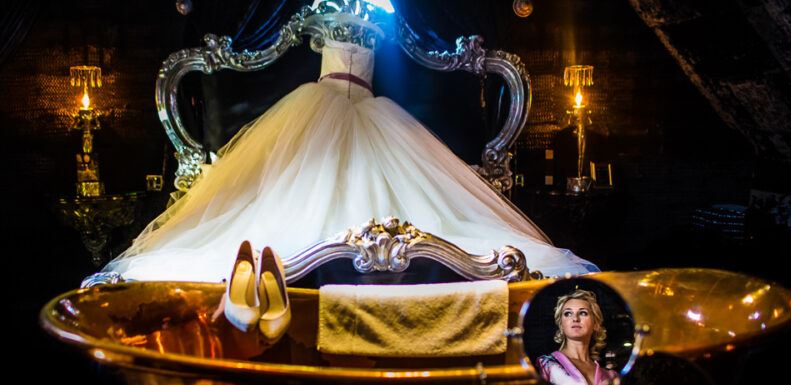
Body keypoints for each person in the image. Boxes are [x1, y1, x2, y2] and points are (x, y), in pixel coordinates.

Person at [103, 28, 598, 282]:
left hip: (368, 104)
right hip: (321, 99)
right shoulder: (316, 27)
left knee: (385, 180)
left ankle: (378, 254)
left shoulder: (381, 26)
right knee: (301, 178)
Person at [536, 289, 616, 385]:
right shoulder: (546, 365)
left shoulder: (611, 376)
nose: (575, 319)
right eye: (568, 314)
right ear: (561, 325)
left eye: (583, 313)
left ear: (596, 324)